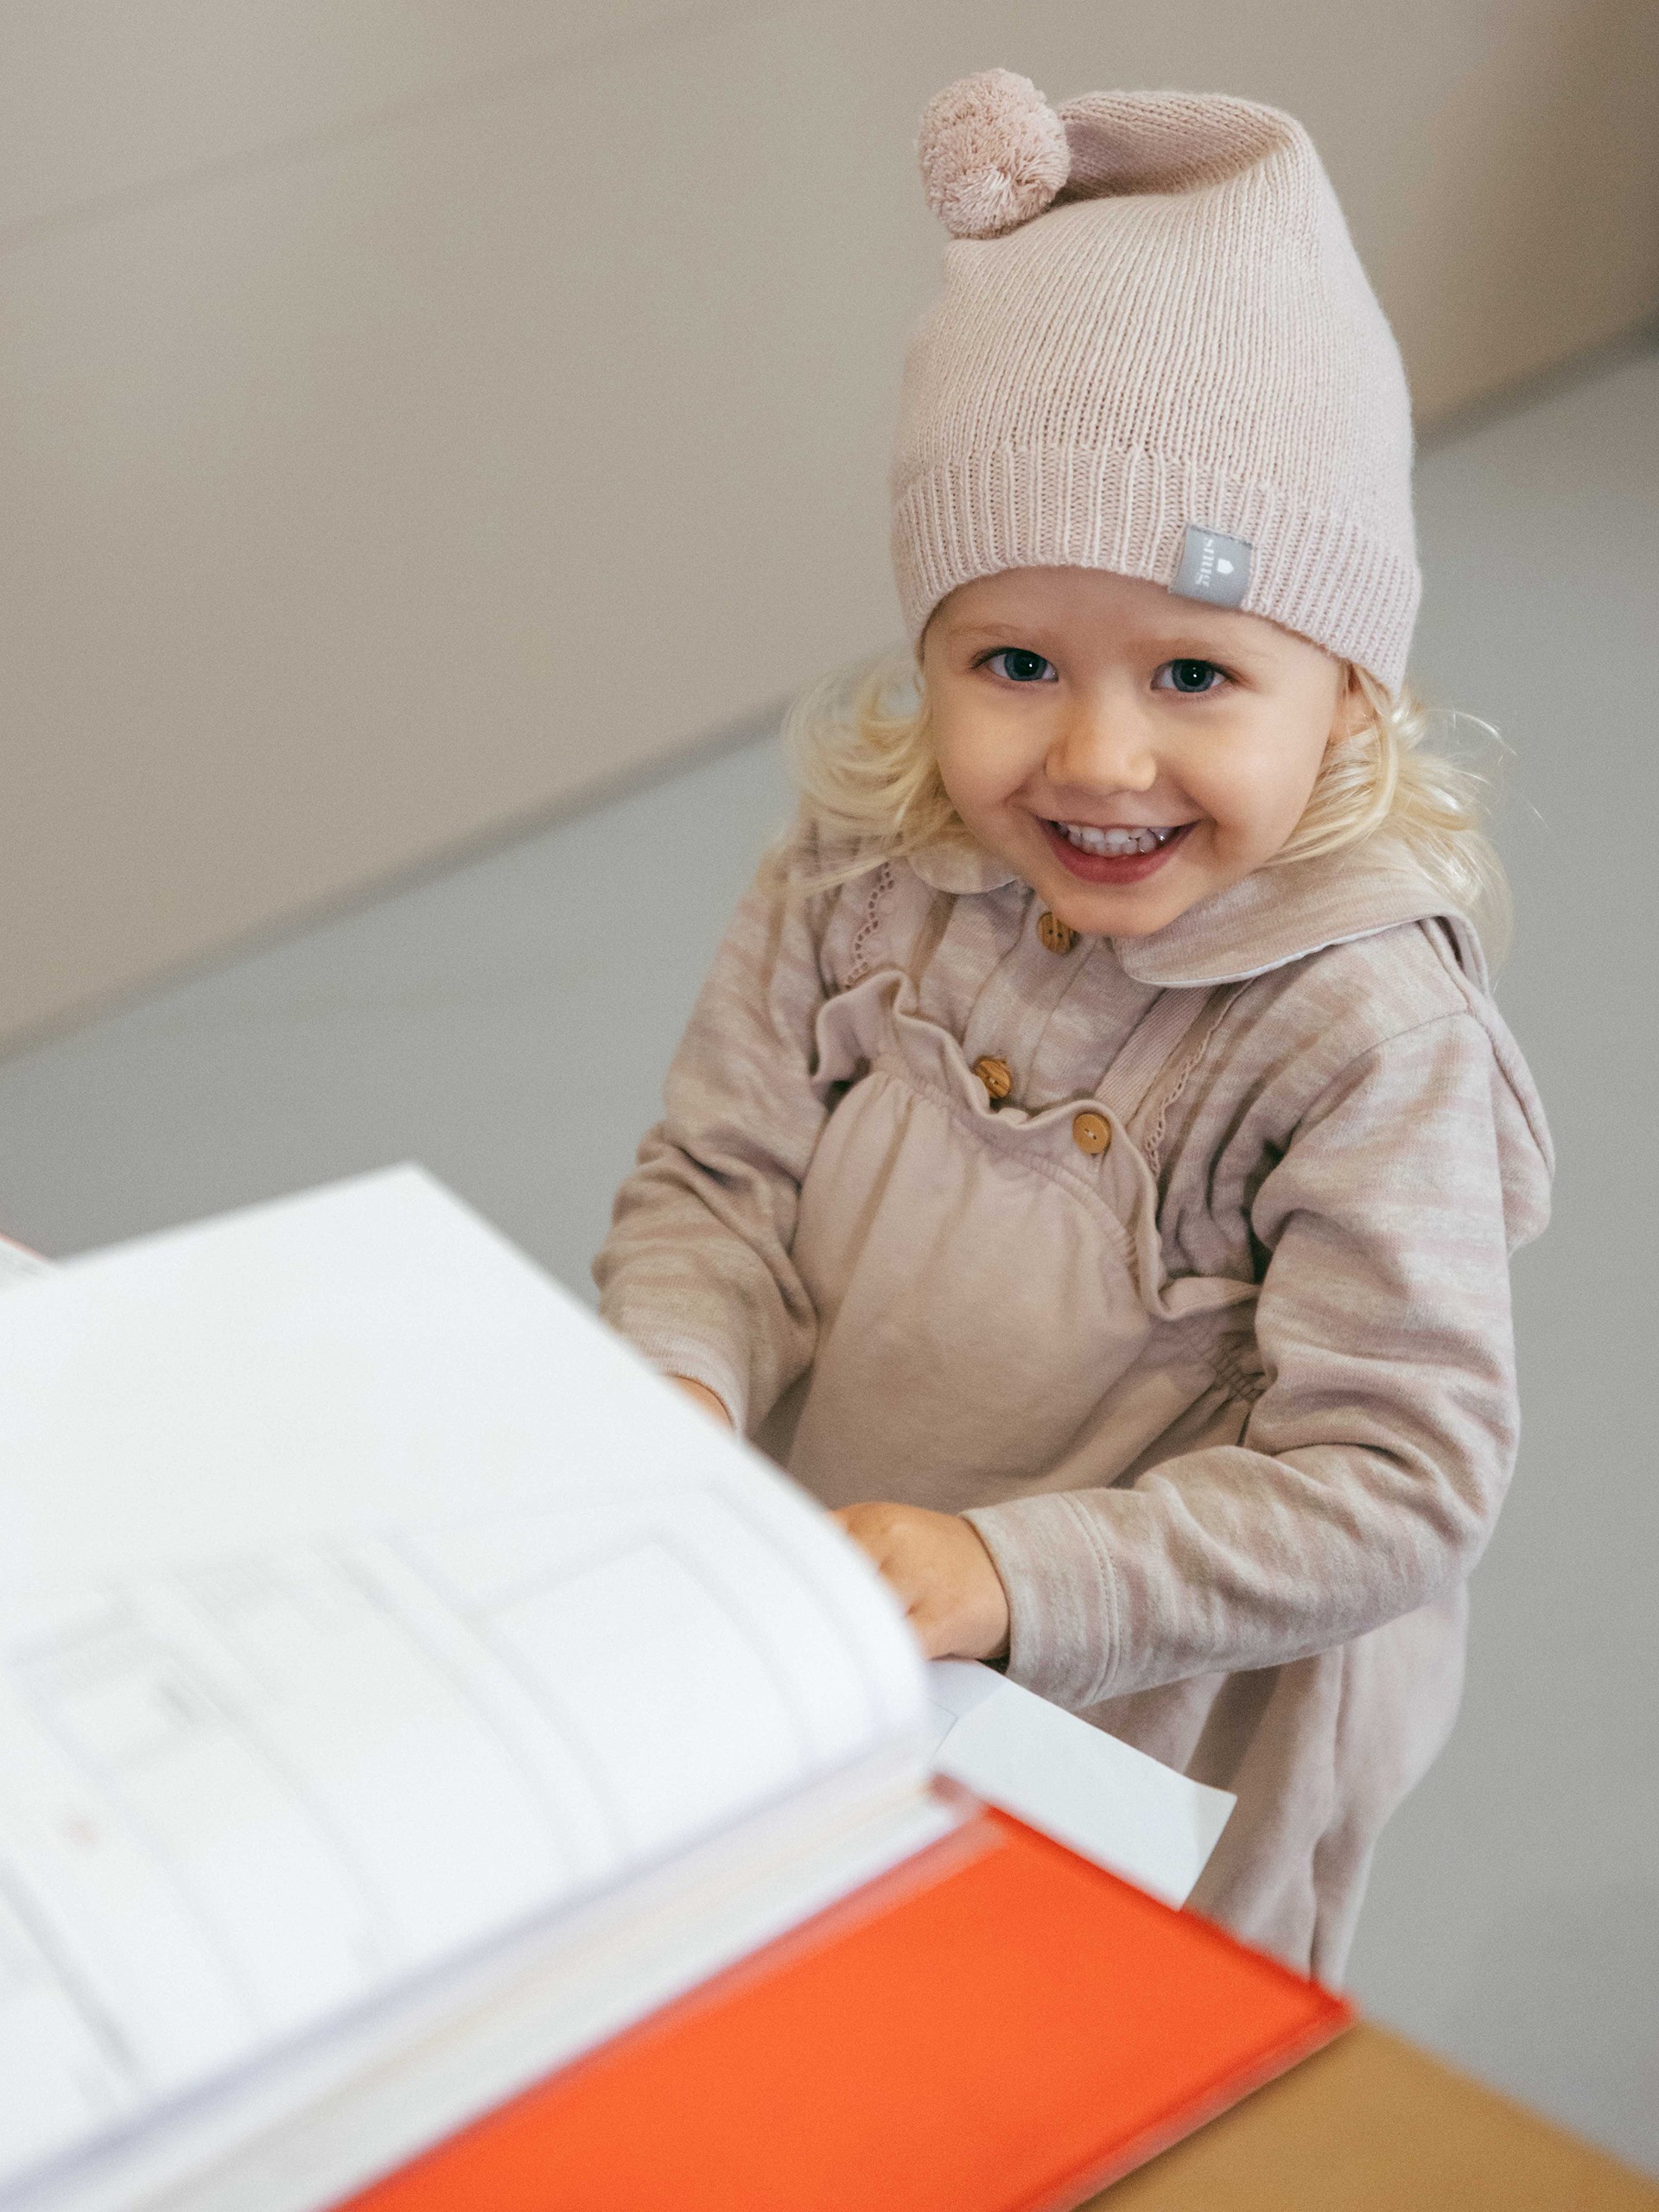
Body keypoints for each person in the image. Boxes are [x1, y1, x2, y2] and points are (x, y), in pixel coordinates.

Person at [594, 71, 1552, 1981]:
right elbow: (719, 1180)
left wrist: (1010, 1578)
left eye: (1197, 672)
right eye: (1014, 662)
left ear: (1351, 695)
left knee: (1085, 2060)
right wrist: (677, 1386)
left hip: (1158, 1733)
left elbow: (1401, 1482)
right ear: (928, 649)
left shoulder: (1364, 1034)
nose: (1099, 755)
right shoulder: (865, 866)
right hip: (852, 1613)